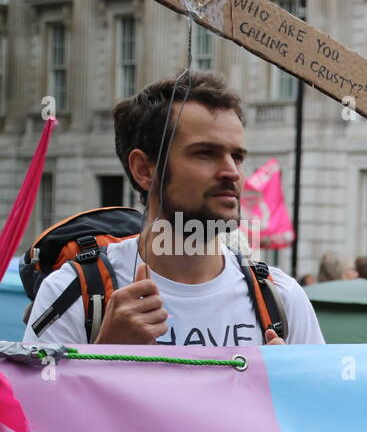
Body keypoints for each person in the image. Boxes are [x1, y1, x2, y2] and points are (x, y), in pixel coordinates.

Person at [24, 72, 323, 346]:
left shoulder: (281, 297)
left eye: (238, 156)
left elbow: (319, 405)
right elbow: (33, 406)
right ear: (144, 169)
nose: (232, 172)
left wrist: (282, 389)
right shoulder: (74, 292)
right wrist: (106, 356)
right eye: (205, 153)